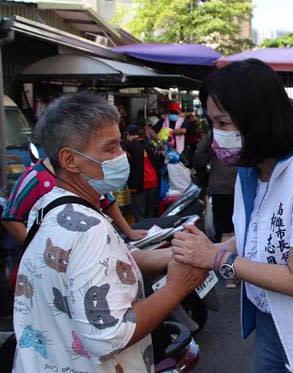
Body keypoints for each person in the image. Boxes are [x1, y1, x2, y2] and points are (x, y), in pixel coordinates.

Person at [170, 59, 293, 373]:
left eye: (224, 123)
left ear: (258, 119)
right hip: (272, 320)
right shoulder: (251, 171)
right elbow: (257, 231)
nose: (217, 135)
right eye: (212, 124)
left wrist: (216, 259)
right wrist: (207, 250)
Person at [13, 92, 207, 372]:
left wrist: (170, 257)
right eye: (110, 147)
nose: (123, 156)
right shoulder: (88, 230)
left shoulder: (50, 206)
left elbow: (97, 265)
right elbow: (110, 335)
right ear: (69, 159)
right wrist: (178, 287)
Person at [2, 157, 146, 243]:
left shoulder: (89, 171)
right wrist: (37, 249)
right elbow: (10, 218)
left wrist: (129, 232)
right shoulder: (35, 176)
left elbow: (108, 202)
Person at [194, 131, 237, 244]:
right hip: (244, 188)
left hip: (222, 188)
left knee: (224, 232)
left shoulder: (218, 131)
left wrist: (202, 177)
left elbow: (200, 156)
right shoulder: (248, 125)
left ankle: (222, 260)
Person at [124, 124, 162, 222]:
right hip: (154, 183)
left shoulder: (129, 146)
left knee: (139, 216)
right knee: (150, 215)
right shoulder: (149, 143)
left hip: (138, 185)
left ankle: (144, 236)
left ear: (127, 134)